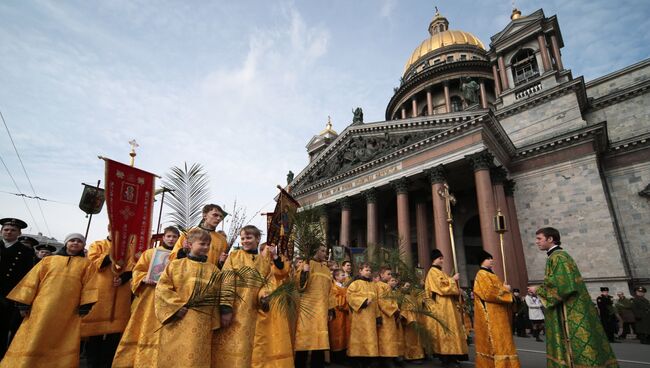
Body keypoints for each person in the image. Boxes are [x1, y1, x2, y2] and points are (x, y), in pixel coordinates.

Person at [0, 233, 97, 368]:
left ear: (83, 246)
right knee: (35, 336)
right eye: (72, 240)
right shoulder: (49, 260)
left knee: (62, 339)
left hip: (69, 311)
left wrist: (86, 304)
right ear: (66, 243)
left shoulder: (88, 265)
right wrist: (23, 303)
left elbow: (90, 285)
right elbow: (32, 280)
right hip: (42, 308)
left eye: (79, 241)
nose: (75, 243)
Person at [529, 227, 618, 368]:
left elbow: (564, 286)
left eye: (539, 238)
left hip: (569, 310)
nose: (536, 242)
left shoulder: (558, 257)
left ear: (550, 239)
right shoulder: (557, 256)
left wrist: (538, 289)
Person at [113, 226, 180, 367]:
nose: (171, 239)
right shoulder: (151, 253)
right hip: (149, 295)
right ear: (163, 237)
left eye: (174, 237)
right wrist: (144, 278)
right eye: (169, 236)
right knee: (144, 326)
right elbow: (138, 270)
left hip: (168, 297)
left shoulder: (179, 257)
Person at [155, 228, 221, 367]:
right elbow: (162, 288)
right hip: (178, 318)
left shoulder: (213, 269)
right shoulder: (176, 265)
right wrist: (176, 307)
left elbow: (217, 294)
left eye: (208, 245)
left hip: (201, 323)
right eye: (202, 244)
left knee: (196, 359)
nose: (206, 247)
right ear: (190, 245)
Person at [212, 225, 271, 367]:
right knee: (226, 348)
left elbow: (267, 284)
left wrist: (264, 296)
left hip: (252, 312)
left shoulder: (265, 262)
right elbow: (226, 280)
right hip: (233, 310)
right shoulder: (234, 256)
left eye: (249, 238)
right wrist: (226, 308)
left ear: (258, 239)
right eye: (242, 238)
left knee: (246, 350)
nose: (245, 241)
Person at [82, 227, 134, 368]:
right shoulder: (97, 244)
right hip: (100, 292)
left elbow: (133, 267)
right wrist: (113, 252)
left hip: (120, 293)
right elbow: (93, 263)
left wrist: (123, 278)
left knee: (114, 335)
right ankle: (92, 363)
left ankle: (107, 363)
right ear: (109, 229)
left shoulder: (130, 248)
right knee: (94, 333)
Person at [472, 250, 521, 368]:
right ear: (482, 261)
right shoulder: (482, 274)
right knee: (496, 341)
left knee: (504, 340)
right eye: (488, 258)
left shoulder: (491, 274)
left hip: (499, 313)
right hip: (491, 314)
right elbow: (488, 293)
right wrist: (506, 290)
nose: (491, 260)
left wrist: (504, 289)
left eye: (491, 258)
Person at [251, 245, 293, 368]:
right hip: (259, 305)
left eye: (271, 249)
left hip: (277, 303)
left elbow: (283, 272)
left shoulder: (276, 263)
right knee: (261, 338)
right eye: (265, 249)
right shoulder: (256, 262)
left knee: (278, 336)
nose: (268, 251)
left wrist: (275, 256)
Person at [424, 249, 468, 367]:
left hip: (448, 306)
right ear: (434, 259)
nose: (442, 260)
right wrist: (453, 280)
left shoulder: (441, 272)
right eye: (440, 258)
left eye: (442, 258)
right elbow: (441, 288)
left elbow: (447, 285)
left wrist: (457, 291)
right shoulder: (432, 272)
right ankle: (447, 358)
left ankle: (454, 355)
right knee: (446, 332)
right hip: (441, 306)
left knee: (452, 330)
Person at [0, 218, 34, 359]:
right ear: (1, 231)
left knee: (2, 330)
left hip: (8, 297)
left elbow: (27, 278)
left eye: (13, 230)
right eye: (6, 229)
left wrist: (22, 301)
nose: (9, 232)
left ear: (19, 233)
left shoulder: (25, 251)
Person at [294, 245, 333, 368]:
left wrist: (331, 309)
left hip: (322, 308)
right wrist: (304, 273)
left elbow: (330, 290)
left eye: (325, 251)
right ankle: (300, 364)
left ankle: (318, 364)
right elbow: (298, 284)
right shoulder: (307, 263)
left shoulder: (326, 269)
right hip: (307, 308)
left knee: (320, 339)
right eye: (322, 251)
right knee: (304, 338)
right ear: (315, 251)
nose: (324, 253)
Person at [346, 263, 379, 367]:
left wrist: (378, 316)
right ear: (360, 271)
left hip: (371, 317)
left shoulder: (373, 285)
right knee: (359, 338)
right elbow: (349, 297)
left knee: (369, 339)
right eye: (366, 270)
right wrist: (363, 302)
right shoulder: (355, 284)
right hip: (359, 317)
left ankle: (367, 361)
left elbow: (376, 301)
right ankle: (356, 360)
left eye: (370, 271)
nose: (368, 272)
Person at [376, 266, 400, 365]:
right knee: (385, 337)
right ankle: (386, 359)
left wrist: (396, 308)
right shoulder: (379, 285)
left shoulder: (386, 285)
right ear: (381, 275)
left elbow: (392, 300)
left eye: (391, 274)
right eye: (388, 274)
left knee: (390, 337)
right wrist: (394, 309)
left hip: (390, 314)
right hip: (384, 314)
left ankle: (391, 357)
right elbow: (382, 301)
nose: (390, 276)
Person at [328, 269, 351, 364]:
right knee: (337, 334)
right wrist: (346, 301)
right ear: (336, 277)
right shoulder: (333, 288)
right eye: (342, 275)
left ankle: (344, 356)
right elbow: (338, 302)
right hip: (337, 314)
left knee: (345, 334)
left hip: (345, 315)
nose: (344, 277)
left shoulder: (344, 287)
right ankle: (336, 358)